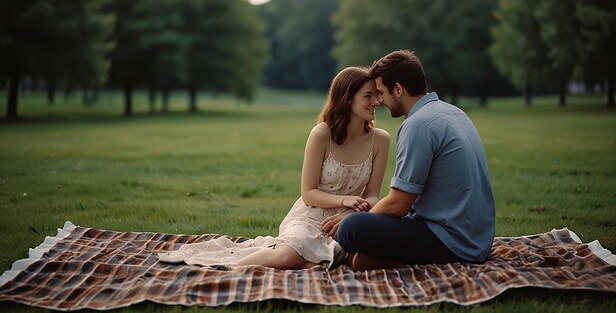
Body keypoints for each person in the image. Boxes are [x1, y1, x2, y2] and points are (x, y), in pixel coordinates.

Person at [159, 67, 390, 269]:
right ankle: (231, 269)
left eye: (377, 96)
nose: (376, 102)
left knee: (376, 253)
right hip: (311, 218)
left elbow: (372, 196)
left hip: (350, 220)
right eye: (368, 96)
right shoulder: (322, 134)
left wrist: (350, 213)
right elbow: (308, 193)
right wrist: (344, 200)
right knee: (287, 255)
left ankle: (318, 261)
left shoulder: (380, 140)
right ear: (347, 99)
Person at [335, 50, 495, 270]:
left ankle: (394, 259)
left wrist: (352, 219)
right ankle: (382, 258)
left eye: (381, 93)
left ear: (398, 89)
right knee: (365, 222)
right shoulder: (453, 112)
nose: (379, 101)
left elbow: (399, 204)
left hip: (451, 242)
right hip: (478, 240)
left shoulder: (418, 125)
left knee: (350, 228)